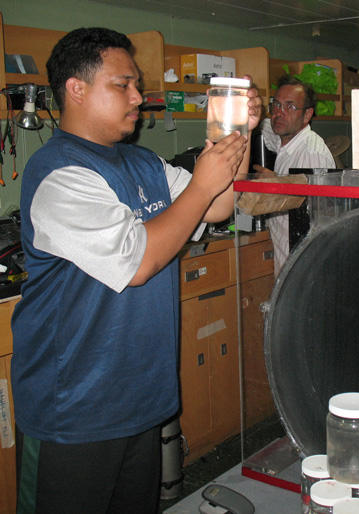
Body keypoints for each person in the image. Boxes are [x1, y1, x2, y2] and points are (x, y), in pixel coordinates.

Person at [10, 27, 261, 514]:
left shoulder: (142, 162)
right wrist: (199, 187)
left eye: (137, 84)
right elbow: (141, 260)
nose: (138, 96)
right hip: (74, 412)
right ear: (76, 89)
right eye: (122, 84)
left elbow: (219, 204)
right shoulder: (58, 172)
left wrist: (238, 134)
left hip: (141, 399)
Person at [253, 75, 335, 276]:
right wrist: (249, 113)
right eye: (276, 105)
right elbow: (267, 128)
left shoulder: (311, 152)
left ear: (307, 115)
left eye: (290, 107)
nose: (279, 113)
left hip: (308, 268)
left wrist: (276, 186)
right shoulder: (286, 140)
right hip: (288, 262)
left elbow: (318, 213)